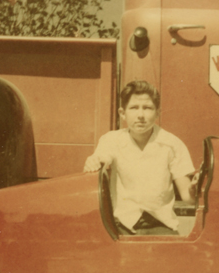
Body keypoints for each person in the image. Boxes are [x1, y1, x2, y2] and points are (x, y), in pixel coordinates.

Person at [83, 81, 196, 235]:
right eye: (134, 108)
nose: (141, 115)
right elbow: (101, 158)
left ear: (157, 113)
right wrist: (93, 161)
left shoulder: (172, 144)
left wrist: (196, 189)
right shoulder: (111, 140)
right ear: (122, 113)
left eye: (148, 108)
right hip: (122, 225)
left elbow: (188, 197)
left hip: (162, 225)